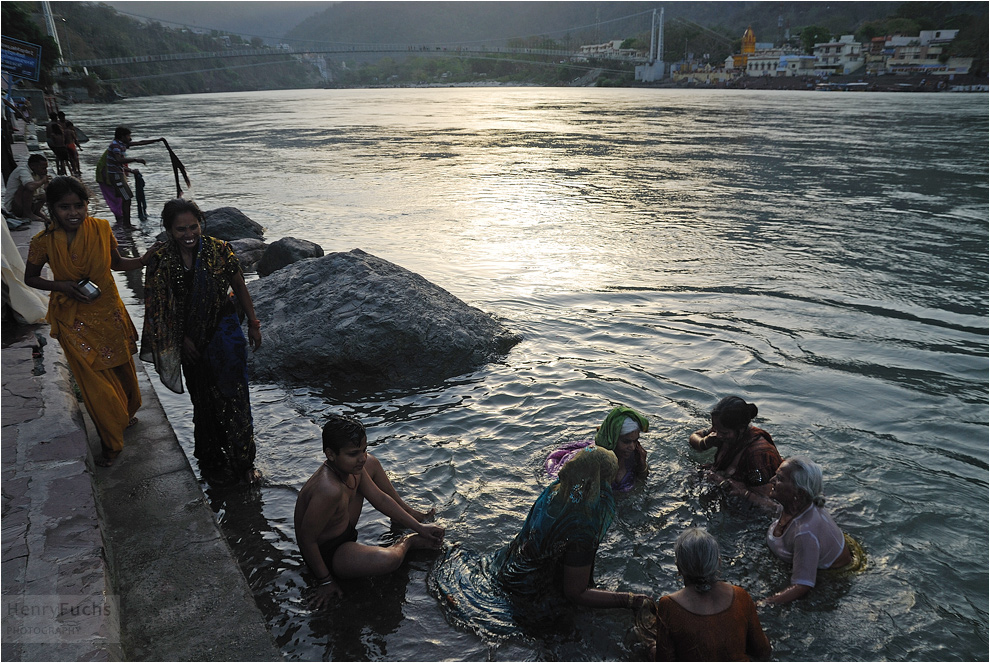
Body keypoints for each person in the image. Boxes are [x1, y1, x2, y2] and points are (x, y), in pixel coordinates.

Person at [430, 447, 652, 636]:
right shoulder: (583, 525)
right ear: (599, 482)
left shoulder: (554, 494)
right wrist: (631, 600)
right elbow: (576, 593)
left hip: (513, 570)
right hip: (533, 595)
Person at [23, 176, 158, 466]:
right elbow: (30, 278)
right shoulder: (42, 242)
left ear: (87, 206)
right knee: (94, 381)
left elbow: (116, 263)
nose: (73, 213)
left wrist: (144, 260)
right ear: (52, 208)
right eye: (64, 207)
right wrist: (62, 286)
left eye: (78, 206)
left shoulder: (101, 228)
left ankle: (124, 414)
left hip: (108, 311)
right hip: (73, 318)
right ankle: (111, 441)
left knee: (121, 369)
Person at [141, 198, 262, 485]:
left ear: (201, 223)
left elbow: (239, 286)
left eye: (193, 227)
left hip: (224, 332)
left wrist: (254, 324)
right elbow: (157, 307)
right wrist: (181, 339)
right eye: (180, 229)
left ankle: (244, 462)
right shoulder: (161, 258)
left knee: (235, 397)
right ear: (169, 230)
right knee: (203, 399)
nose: (188, 235)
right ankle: (212, 461)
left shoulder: (219, 249)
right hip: (189, 340)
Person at [294, 414, 445, 607]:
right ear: (330, 454)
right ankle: (408, 541)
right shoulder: (328, 489)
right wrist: (325, 580)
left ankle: (408, 515)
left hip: (343, 528)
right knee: (389, 560)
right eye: (353, 453)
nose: (361, 458)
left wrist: (419, 527)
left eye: (364, 450)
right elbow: (306, 540)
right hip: (332, 553)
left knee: (371, 463)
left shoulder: (352, 469)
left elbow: (380, 498)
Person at [652, 528, 771, 661]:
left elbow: (664, 660)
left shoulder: (669, 606)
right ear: (718, 563)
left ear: (678, 567)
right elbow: (763, 652)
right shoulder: (740, 596)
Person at [762, 457, 856, 606]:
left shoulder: (804, 533)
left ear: (799, 492)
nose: (772, 479)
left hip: (828, 578)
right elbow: (772, 508)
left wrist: (761, 604)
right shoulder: (794, 504)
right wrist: (744, 493)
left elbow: (802, 586)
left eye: (779, 478)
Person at [689, 396, 781, 505]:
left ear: (741, 429)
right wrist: (704, 442)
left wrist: (724, 483)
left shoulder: (758, 454)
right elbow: (694, 437)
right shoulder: (722, 431)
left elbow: (770, 502)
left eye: (723, 433)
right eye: (715, 429)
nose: (717, 435)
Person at [544, 405, 650, 492]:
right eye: (626, 442)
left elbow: (642, 481)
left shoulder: (636, 456)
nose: (632, 447)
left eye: (635, 441)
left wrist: (642, 467)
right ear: (613, 439)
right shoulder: (591, 461)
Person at [98, 126, 164, 227]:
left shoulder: (122, 144)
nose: (130, 138)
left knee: (126, 198)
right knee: (127, 198)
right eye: (128, 136)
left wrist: (158, 140)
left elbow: (140, 142)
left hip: (119, 174)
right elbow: (118, 160)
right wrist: (136, 160)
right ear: (122, 136)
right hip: (116, 176)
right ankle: (126, 224)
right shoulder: (115, 146)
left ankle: (124, 222)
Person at [3, 154, 50, 225]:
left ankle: (36, 211)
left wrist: (46, 185)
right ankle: (28, 213)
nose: (45, 171)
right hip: (14, 206)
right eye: (43, 168)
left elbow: (41, 193)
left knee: (48, 193)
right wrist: (43, 180)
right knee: (27, 186)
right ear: (33, 166)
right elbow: (30, 187)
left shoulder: (37, 173)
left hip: (27, 203)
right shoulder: (22, 170)